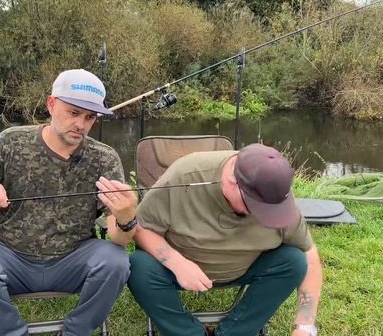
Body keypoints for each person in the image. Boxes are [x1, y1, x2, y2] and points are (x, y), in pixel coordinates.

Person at [0, 69, 138, 336]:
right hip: (10, 254)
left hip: (74, 258)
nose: (81, 124)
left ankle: (76, 331)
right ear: (51, 105)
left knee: (117, 262)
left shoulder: (105, 158)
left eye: (89, 117)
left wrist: (125, 217)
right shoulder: (9, 142)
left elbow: (119, 239)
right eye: (73, 112)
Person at [128, 143, 323, 336]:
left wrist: (305, 327)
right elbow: (139, 228)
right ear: (231, 182)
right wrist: (176, 262)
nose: (264, 215)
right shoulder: (184, 175)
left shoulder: (274, 195)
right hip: (182, 268)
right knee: (139, 266)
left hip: (245, 268)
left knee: (294, 261)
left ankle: (236, 332)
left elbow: (309, 255)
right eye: (256, 206)